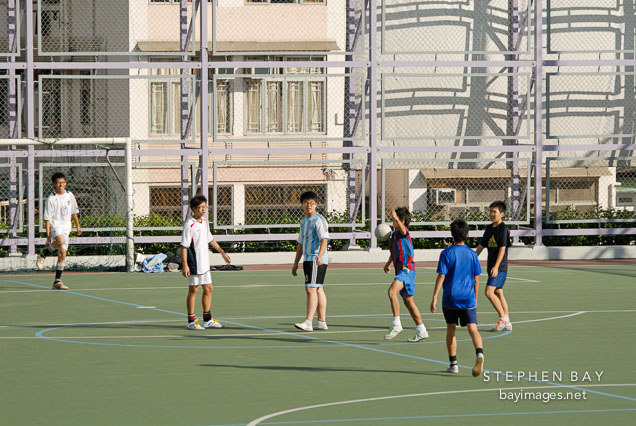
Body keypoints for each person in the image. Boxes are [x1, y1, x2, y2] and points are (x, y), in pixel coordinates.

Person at [431, 219, 484, 376]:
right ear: (467, 234)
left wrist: (434, 297)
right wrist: (474, 297)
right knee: (473, 328)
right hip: (468, 298)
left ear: (452, 234)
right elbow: (476, 279)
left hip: (450, 298)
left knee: (451, 328)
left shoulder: (446, 253)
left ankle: (453, 363)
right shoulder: (472, 254)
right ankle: (479, 353)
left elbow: (441, 276)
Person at [180, 195, 231, 330]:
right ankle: (191, 320)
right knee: (193, 290)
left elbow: (211, 239)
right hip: (194, 263)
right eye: (200, 207)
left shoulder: (205, 222)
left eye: (205, 207)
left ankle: (207, 320)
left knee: (208, 288)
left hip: (204, 263)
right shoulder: (189, 225)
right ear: (193, 209)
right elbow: (184, 246)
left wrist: (222, 253)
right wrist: (185, 265)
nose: (203, 210)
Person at [383, 207, 428, 342]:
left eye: (394, 220)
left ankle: (396, 324)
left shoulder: (404, 232)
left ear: (401, 220)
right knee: (409, 302)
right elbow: (394, 252)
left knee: (391, 292)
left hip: (406, 269)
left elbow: (403, 229)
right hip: (403, 270)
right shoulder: (394, 235)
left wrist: (396, 217)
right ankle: (422, 330)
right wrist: (388, 264)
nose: (392, 222)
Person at [37, 172, 82, 290]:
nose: (61, 185)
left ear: (65, 183)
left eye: (62, 182)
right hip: (55, 225)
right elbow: (47, 219)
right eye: (58, 183)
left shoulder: (70, 195)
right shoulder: (51, 199)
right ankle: (44, 254)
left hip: (66, 227)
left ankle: (57, 281)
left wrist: (78, 226)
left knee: (62, 254)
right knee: (60, 241)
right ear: (54, 184)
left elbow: (74, 212)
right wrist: (48, 236)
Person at [292, 191, 329, 332]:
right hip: (307, 259)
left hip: (315, 258)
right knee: (318, 288)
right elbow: (300, 243)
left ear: (316, 205)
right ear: (302, 204)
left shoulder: (318, 220)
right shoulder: (303, 221)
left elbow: (324, 239)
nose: (309, 205)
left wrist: (319, 255)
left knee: (311, 288)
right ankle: (321, 321)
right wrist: (295, 263)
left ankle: (308, 321)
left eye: (312, 203)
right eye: (306, 203)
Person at [476, 200, 512, 331]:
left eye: (494, 212)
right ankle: (507, 321)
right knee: (498, 292)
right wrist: (473, 258)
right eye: (490, 211)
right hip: (492, 266)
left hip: (500, 267)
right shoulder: (489, 228)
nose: (491, 214)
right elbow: (481, 245)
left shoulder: (504, 229)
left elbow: (503, 248)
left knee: (488, 292)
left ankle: (502, 318)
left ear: (502, 214)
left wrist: (496, 267)